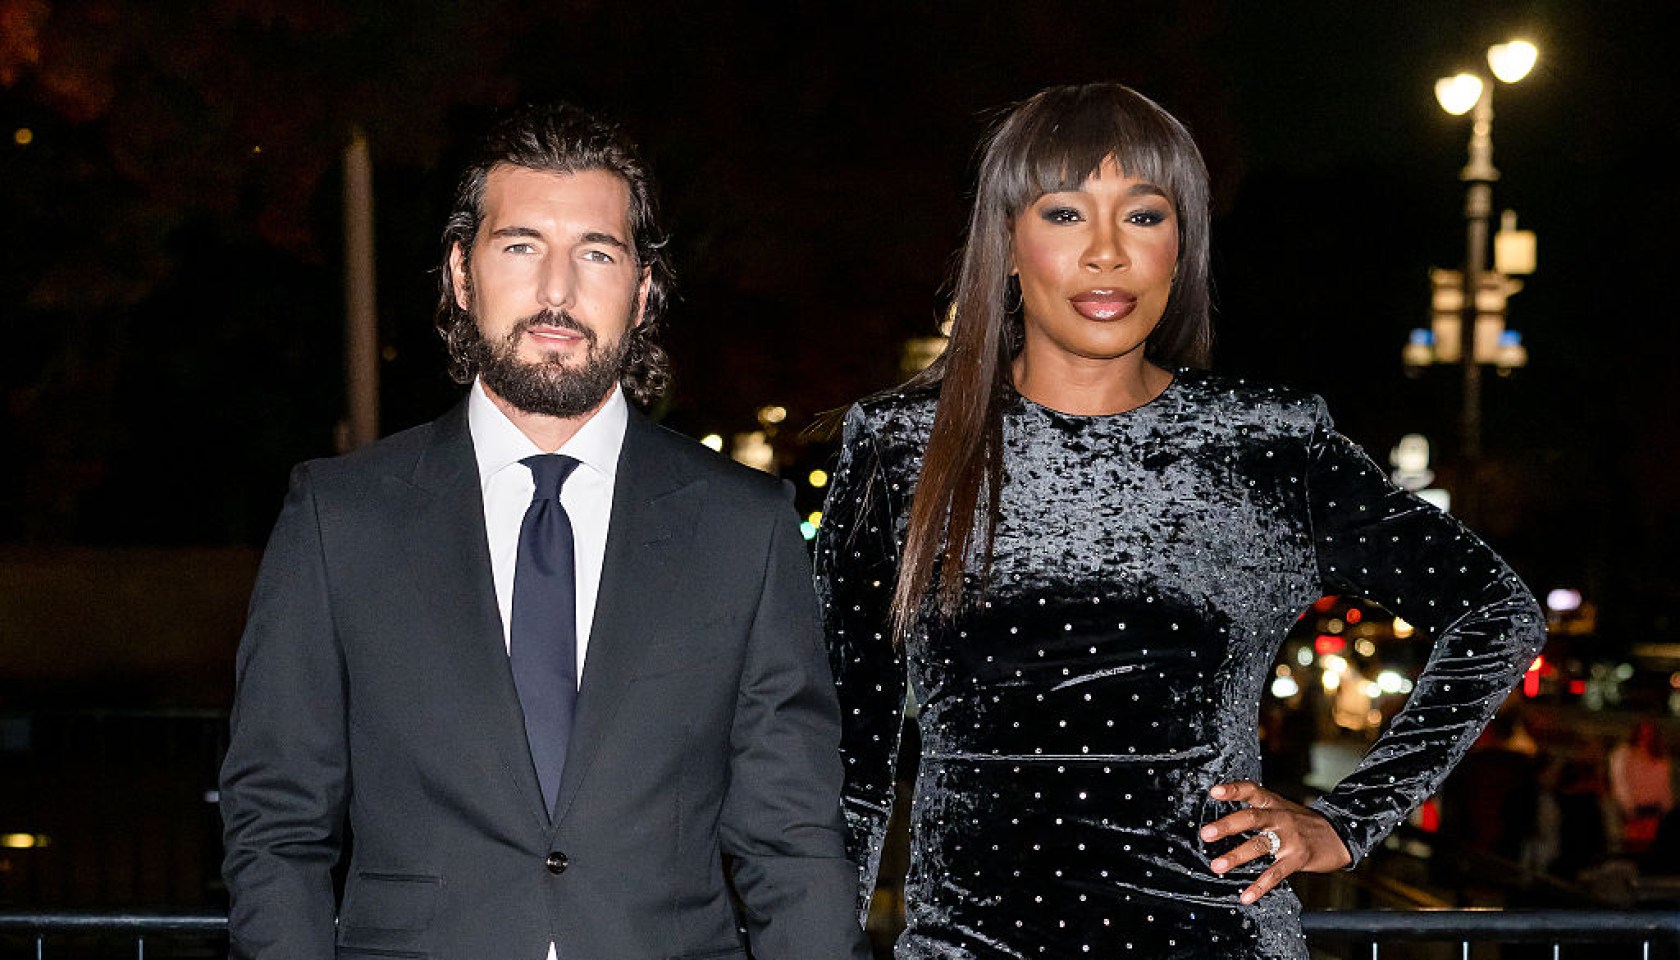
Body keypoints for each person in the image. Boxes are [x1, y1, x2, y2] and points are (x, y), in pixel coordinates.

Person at [815, 83, 1546, 959]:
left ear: (1180, 246)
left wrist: (1350, 821)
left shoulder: (1266, 446)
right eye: (1064, 213)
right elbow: (846, 760)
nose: (1107, 253)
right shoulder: (900, 450)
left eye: (1144, 216)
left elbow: (1498, 613)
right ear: (1005, 242)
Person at [220, 102, 870, 960]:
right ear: (461, 274)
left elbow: (792, 842)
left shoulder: (743, 528)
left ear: (643, 291)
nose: (557, 292)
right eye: (521, 247)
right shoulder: (339, 519)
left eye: (596, 253)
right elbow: (276, 826)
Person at [1609, 720, 1673, 853]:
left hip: (1654, 807)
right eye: (1643, 733)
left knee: (1651, 844)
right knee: (1634, 843)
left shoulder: (1659, 757)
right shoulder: (1624, 754)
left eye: (1650, 734)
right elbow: (1620, 781)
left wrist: (1667, 806)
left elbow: (1663, 784)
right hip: (1634, 808)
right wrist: (1628, 805)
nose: (1646, 737)